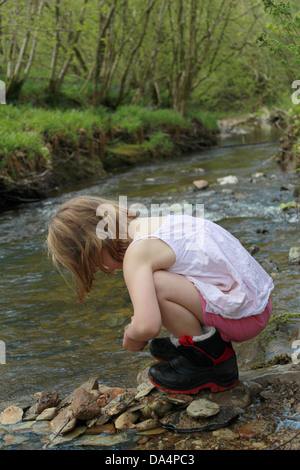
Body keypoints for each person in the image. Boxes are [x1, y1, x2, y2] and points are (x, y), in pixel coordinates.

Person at [47, 195, 274, 395]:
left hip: (243, 318)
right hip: (257, 304)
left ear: (95, 246)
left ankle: (209, 362)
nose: (107, 271)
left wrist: (133, 335)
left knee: (155, 285)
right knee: (155, 283)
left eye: (96, 266)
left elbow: (148, 327)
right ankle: (195, 345)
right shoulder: (154, 225)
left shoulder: (138, 253)